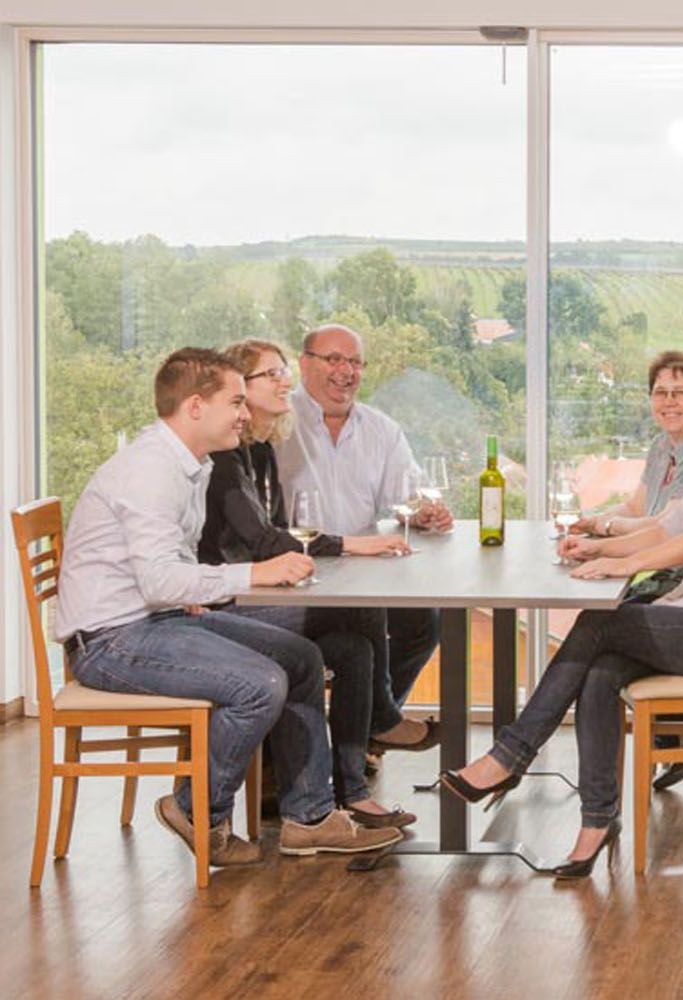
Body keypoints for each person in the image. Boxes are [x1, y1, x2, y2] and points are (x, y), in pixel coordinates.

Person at [441, 354, 683, 879]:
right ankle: (596, 823)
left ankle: (509, 756)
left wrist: (625, 564)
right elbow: (666, 527)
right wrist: (599, 549)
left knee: (601, 621)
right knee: (601, 672)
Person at [54, 348, 402, 865]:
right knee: (260, 685)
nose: (244, 414)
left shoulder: (189, 464)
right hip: (110, 641)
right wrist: (253, 575)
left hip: (159, 618)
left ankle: (309, 818)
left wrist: (195, 595)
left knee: (301, 656)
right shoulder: (151, 471)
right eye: (235, 402)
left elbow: (170, 566)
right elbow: (157, 579)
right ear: (196, 406)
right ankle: (196, 810)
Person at [199, 338, 416, 828]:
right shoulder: (224, 460)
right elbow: (263, 539)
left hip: (256, 593)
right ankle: (383, 719)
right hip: (222, 605)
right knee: (359, 607)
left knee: (355, 649)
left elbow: (279, 532)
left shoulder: (259, 451)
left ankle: (351, 792)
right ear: (238, 388)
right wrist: (354, 545)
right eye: (272, 374)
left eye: (283, 373)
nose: (285, 383)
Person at [276, 323, 447, 753]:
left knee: (424, 622)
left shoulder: (381, 429)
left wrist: (423, 512)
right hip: (296, 573)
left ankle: (370, 727)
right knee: (364, 614)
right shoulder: (277, 426)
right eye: (333, 359)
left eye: (354, 362)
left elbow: (405, 495)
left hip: (361, 568)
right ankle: (379, 722)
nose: (346, 371)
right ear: (304, 364)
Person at [571, 351, 683, 791]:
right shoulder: (665, 444)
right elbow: (637, 506)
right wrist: (591, 522)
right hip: (664, 571)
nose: (669, 401)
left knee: (602, 632)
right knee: (602, 631)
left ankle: (681, 723)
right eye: (660, 392)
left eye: (681, 392)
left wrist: (603, 534)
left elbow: (665, 525)